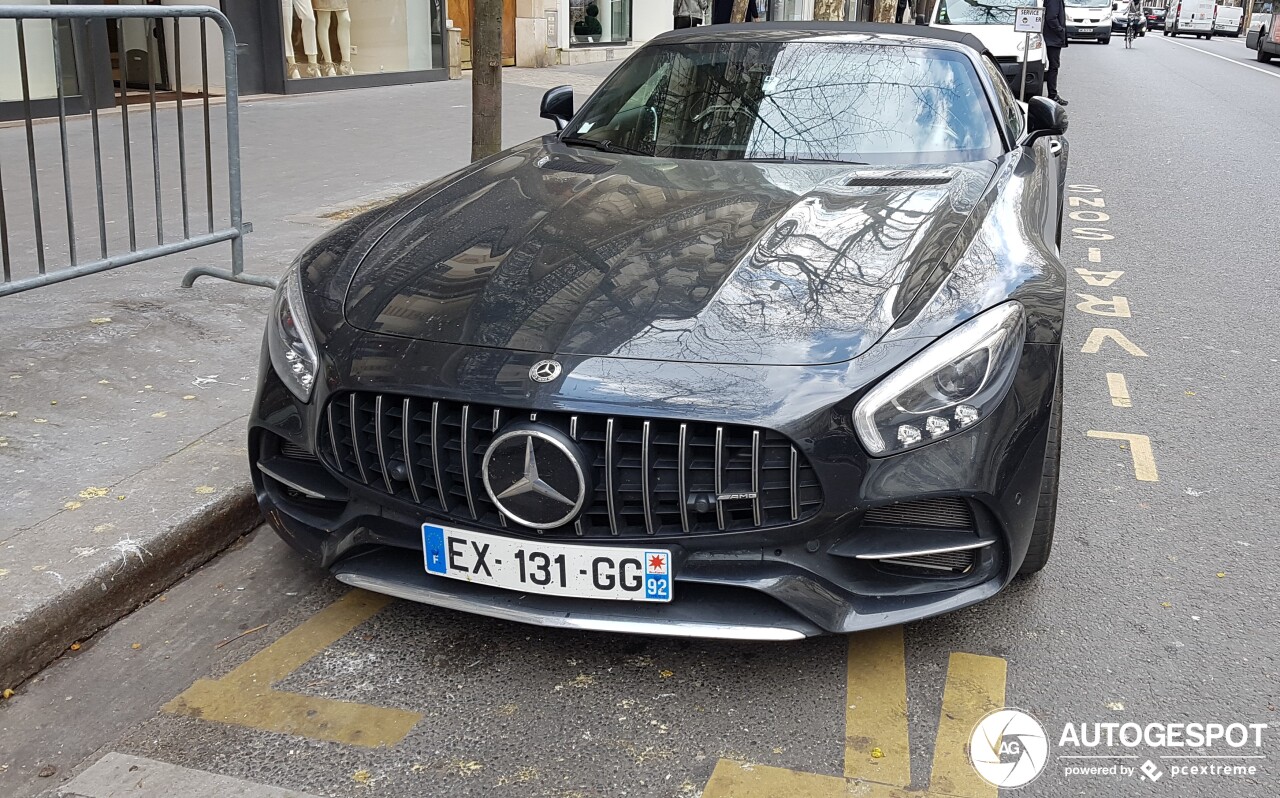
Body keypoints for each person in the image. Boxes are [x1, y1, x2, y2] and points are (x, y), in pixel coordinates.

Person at [1043, 0, 1069, 106]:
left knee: (1053, 66)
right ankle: (1052, 95)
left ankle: (1053, 94)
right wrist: (1060, 30)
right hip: (1052, 38)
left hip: (1051, 37)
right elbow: (1051, 17)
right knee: (1054, 66)